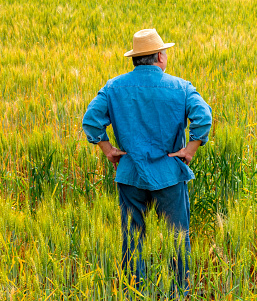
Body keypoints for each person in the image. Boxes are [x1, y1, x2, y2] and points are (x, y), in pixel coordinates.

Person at [82, 28, 212, 298]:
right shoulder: (181, 87)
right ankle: (180, 293)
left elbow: (91, 120)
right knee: (178, 240)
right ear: (160, 57)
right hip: (169, 174)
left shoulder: (113, 87)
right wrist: (190, 149)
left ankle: (134, 292)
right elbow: (203, 117)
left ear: (135, 59)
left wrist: (109, 150)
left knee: (132, 240)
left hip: (130, 173)